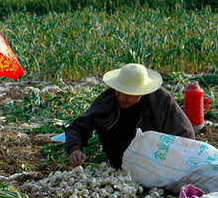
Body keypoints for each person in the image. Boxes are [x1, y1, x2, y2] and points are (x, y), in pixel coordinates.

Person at [65, 63, 194, 169]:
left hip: (157, 163)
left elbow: (186, 135)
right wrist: (75, 148)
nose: (120, 97)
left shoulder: (160, 101)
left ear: (140, 93)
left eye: (127, 95)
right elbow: (76, 128)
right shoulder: (107, 101)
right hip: (119, 164)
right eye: (118, 92)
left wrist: (170, 162)